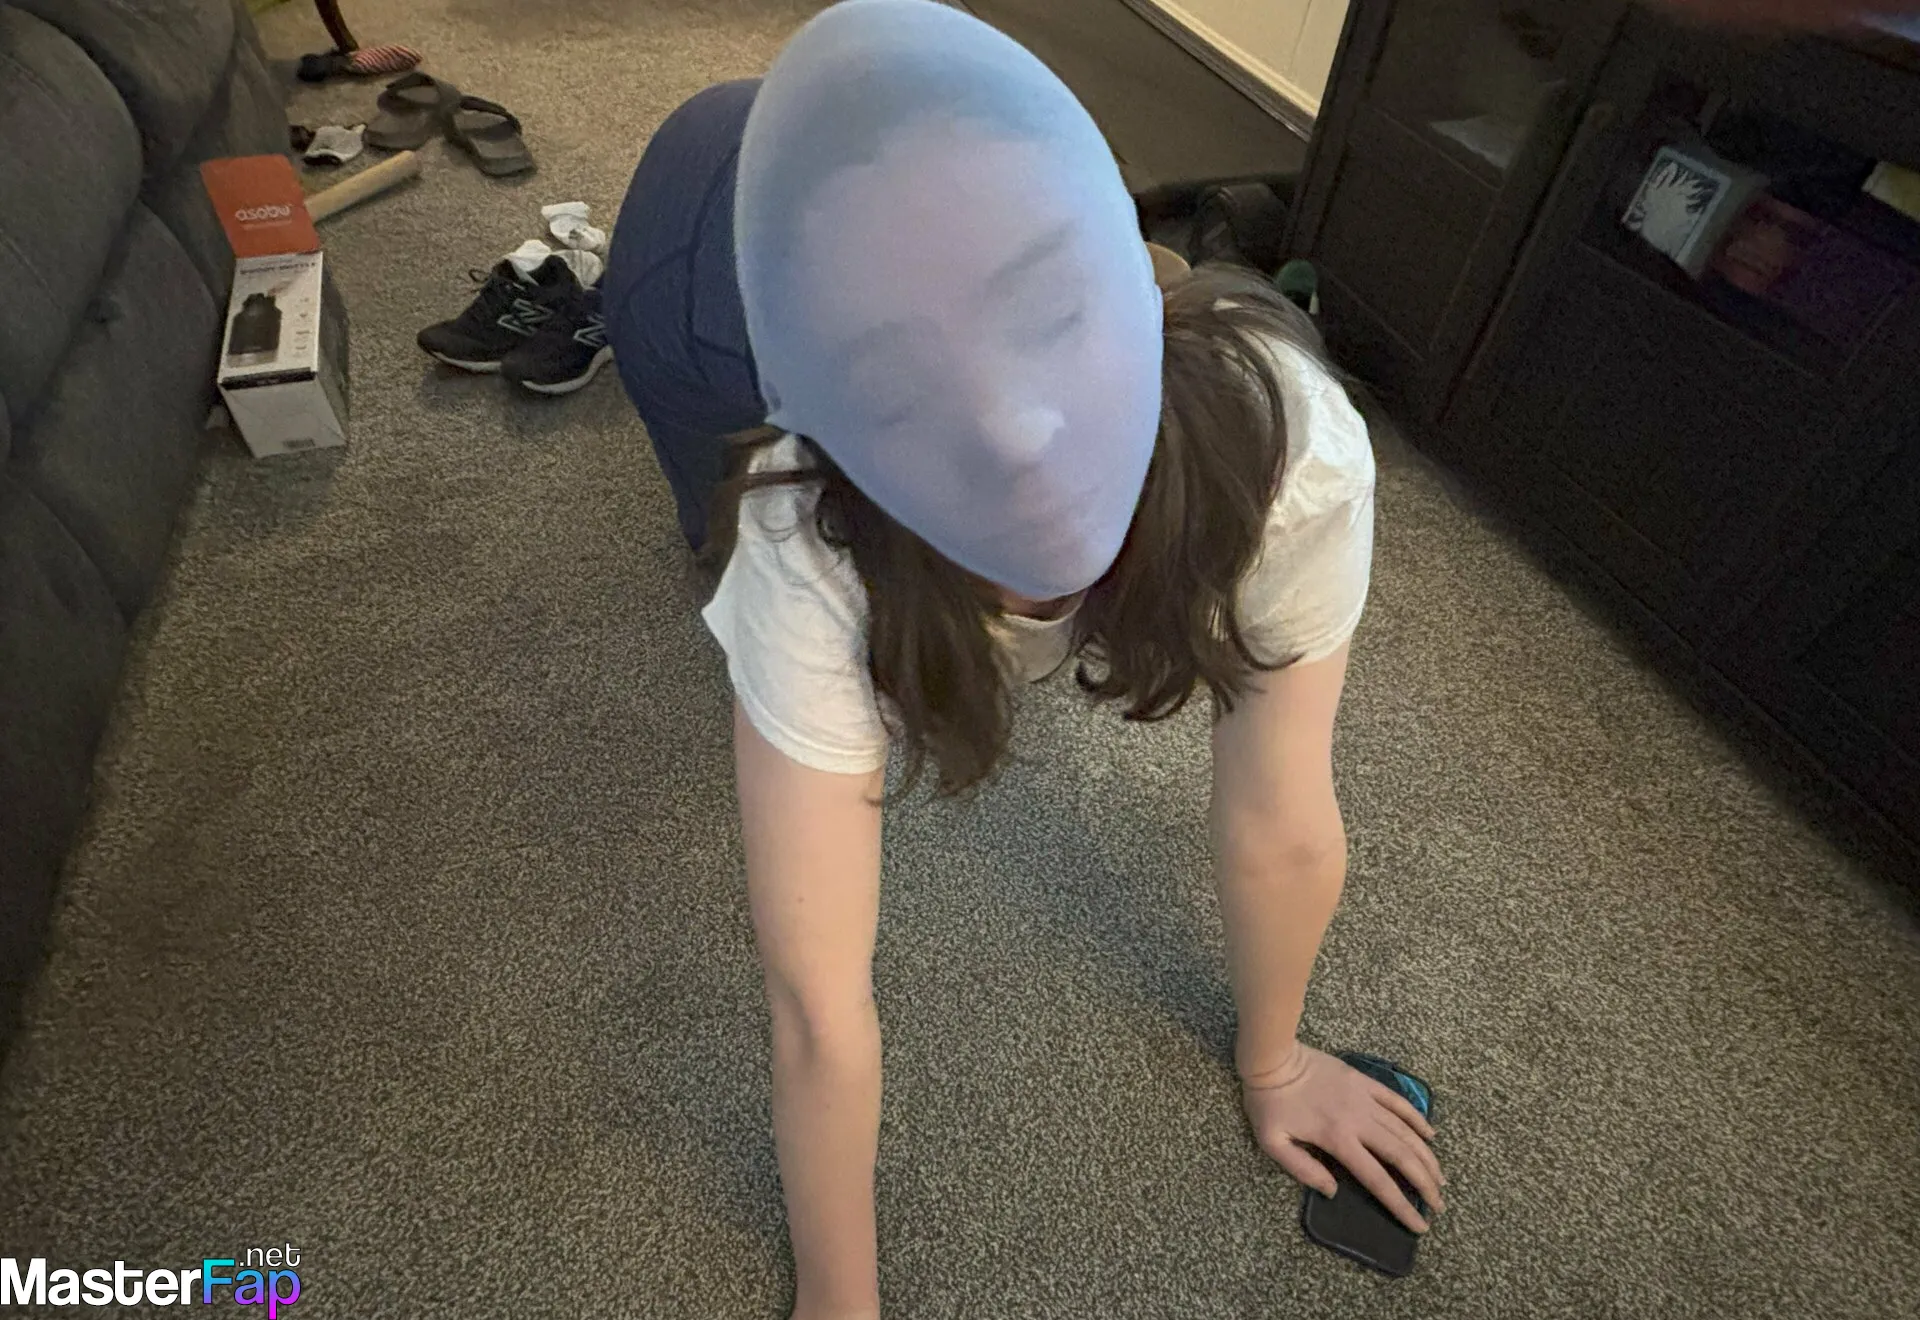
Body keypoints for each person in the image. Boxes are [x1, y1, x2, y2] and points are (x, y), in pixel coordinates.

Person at [602, 3, 1443, 1317]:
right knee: (715, 578)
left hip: (874, 186)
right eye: (899, 390)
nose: (1011, 433)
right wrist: (838, 1302)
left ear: (1134, 282)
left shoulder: (1293, 455)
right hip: (688, 257)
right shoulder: (807, 528)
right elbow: (815, 1000)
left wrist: (1275, 1063)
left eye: (1047, 308)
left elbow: (1283, 810)